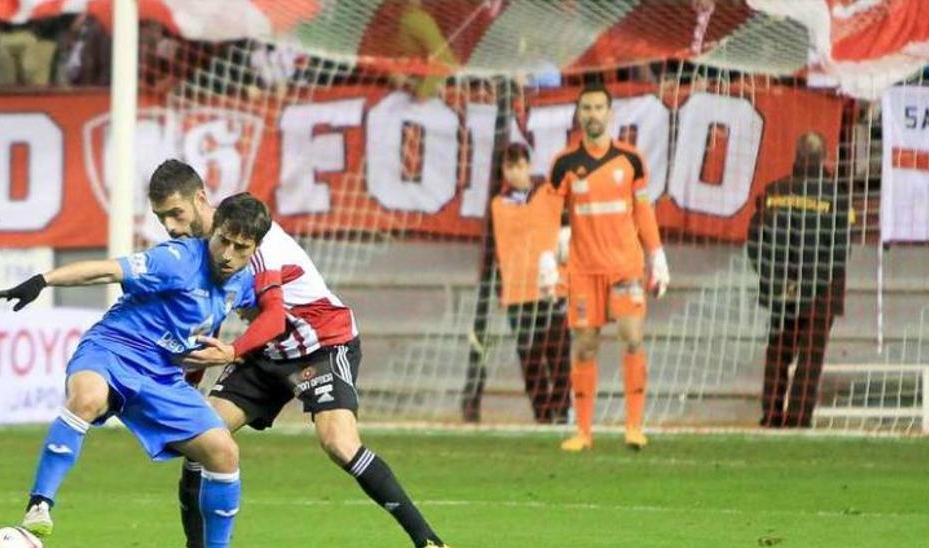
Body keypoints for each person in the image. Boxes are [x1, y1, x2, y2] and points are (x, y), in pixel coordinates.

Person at [149, 160, 448, 548]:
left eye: (176, 213)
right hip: (266, 351)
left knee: (339, 443)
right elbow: (214, 309)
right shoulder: (209, 246)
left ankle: (429, 542)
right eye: (162, 218)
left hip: (319, 343)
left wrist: (232, 352)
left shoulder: (253, 237)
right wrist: (191, 381)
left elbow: (273, 317)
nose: (171, 226)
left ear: (201, 199)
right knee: (199, 437)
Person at [0, 191, 273, 548]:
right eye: (223, 241)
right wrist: (43, 280)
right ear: (212, 231)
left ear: (255, 249)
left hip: (162, 377)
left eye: (241, 248)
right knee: (88, 397)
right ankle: (39, 505)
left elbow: (263, 316)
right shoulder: (177, 259)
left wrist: (236, 352)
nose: (228, 254)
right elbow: (108, 270)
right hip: (113, 349)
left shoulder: (242, 282)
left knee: (223, 451)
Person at [549, 82, 669, 452]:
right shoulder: (564, 164)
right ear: (579, 114)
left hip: (624, 266)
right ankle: (583, 432)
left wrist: (657, 254)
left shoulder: (630, 161)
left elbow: (643, 210)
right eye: (586, 108)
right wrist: (549, 258)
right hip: (584, 270)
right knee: (584, 346)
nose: (593, 114)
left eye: (599, 107)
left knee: (632, 337)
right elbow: (552, 215)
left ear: (610, 113)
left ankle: (634, 426)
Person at [745, 131, 852, 428]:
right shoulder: (836, 198)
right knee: (811, 356)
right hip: (822, 292)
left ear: (797, 156)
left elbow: (755, 240)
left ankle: (771, 414)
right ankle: (799, 416)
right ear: (823, 158)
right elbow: (841, 250)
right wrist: (816, 283)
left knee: (779, 351)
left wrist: (770, 275)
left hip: (781, 288)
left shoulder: (773, 192)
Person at [470, 143, 573, 424]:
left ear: (529, 165)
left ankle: (563, 412)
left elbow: (569, 222)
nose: (516, 172)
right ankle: (543, 414)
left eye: (520, 165)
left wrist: (566, 245)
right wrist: (488, 286)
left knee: (558, 352)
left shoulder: (549, 194)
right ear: (503, 171)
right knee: (530, 359)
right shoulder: (497, 204)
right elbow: (490, 250)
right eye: (510, 167)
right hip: (516, 291)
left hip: (551, 287)